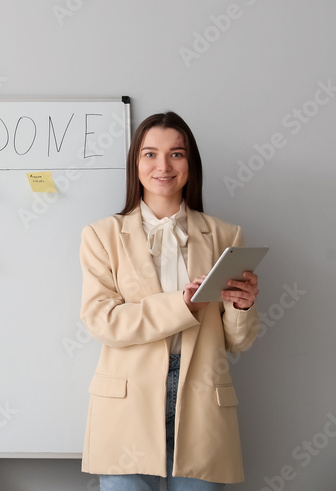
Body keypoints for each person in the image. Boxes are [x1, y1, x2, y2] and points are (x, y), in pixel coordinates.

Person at [80, 111, 260, 490]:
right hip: (127, 404)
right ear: (135, 164)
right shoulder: (102, 235)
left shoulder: (226, 235)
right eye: (150, 154)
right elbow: (103, 321)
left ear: (190, 164)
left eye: (176, 154)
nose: (163, 165)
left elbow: (237, 342)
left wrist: (242, 307)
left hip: (201, 401)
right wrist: (183, 305)